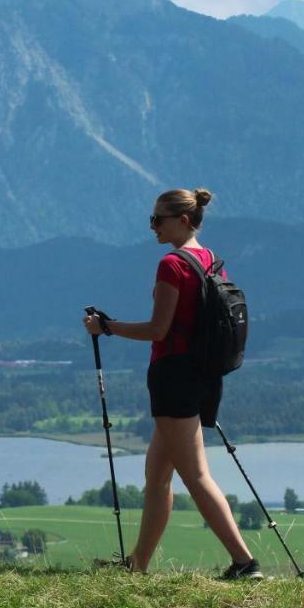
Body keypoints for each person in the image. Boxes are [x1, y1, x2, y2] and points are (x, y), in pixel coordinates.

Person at [83, 187, 262, 580]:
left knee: (195, 475)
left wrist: (106, 327)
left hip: (173, 377)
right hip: (202, 375)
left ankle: (244, 562)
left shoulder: (172, 265)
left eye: (157, 219)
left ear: (182, 220)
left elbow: (158, 329)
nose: (152, 227)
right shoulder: (211, 260)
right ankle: (137, 565)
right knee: (157, 475)